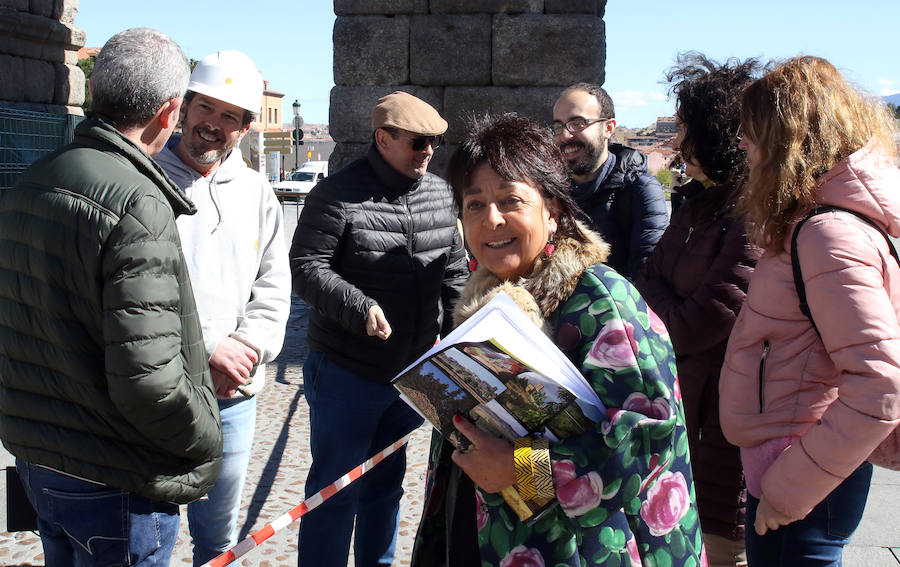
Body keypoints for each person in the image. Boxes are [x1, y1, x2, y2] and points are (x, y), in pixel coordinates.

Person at [411, 113, 705, 567]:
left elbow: (644, 449)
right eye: (474, 204)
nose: (491, 220)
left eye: (511, 200)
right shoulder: (485, 300)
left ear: (553, 212)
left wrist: (517, 470)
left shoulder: (601, 303)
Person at [0, 28, 222, 566]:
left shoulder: (32, 180)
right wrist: (209, 435)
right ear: (170, 113)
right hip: (114, 476)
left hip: (41, 460)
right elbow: (150, 380)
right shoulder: (138, 205)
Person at [719, 56, 900, 566]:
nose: (742, 144)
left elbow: (880, 382)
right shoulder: (827, 225)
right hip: (804, 464)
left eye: (751, 132)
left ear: (786, 140)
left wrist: (788, 489)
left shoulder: (826, 234)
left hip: (801, 477)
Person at [290, 91, 468, 567]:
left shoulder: (440, 192)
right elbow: (307, 267)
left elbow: (453, 274)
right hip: (347, 372)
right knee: (334, 492)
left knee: (385, 487)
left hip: (408, 373)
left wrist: (465, 334)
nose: (428, 151)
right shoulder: (335, 193)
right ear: (383, 139)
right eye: (417, 142)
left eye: (433, 142)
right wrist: (358, 306)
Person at [155, 50, 291, 566]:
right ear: (183, 109)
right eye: (205, 108)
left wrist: (246, 346)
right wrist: (209, 350)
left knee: (217, 541)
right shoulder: (146, 179)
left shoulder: (257, 192)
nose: (213, 125)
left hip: (232, 396)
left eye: (229, 116)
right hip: (159, 393)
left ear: (245, 128)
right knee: (152, 535)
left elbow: (275, 285)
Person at [636, 53, 762, 567]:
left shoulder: (751, 217)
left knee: (721, 549)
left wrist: (659, 302)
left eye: (686, 128)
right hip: (679, 406)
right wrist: (661, 301)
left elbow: (690, 326)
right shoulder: (694, 205)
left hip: (718, 423)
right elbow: (646, 284)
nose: (679, 142)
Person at [551, 83, 668, 281]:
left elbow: (647, 278)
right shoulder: (548, 191)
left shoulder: (640, 191)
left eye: (578, 123)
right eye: (558, 126)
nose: (564, 135)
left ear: (608, 128)